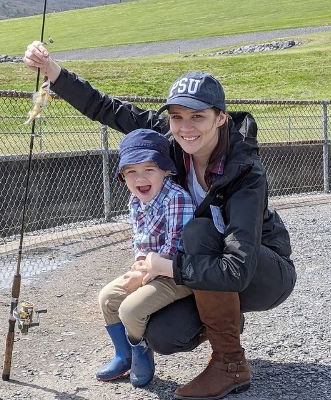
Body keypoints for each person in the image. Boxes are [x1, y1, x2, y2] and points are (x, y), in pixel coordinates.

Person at [24, 42, 297, 400]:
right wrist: (53, 72)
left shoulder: (245, 172)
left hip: (262, 273)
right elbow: (108, 109)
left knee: (199, 231)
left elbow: (237, 269)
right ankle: (223, 319)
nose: (186, 128)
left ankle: (230, 364)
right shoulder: (170, 139)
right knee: (163, 335)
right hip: (202, 270)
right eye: (177, 117)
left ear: (220, 118)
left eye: (197, 117)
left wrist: (164, 266)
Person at [96, 128, 195, 388]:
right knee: (108, 298)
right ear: (123, 176)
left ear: (166, 171)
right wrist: (139, 264)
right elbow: (139, 240)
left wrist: (144, 273)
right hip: (150, 269)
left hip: (177, 274)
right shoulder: (135, 200)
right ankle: (123, 355)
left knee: (130, 309)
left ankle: (140, 349)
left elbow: (176, 247)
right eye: (131, 171)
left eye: (149, 169)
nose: (140, 178)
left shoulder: (176, 198)